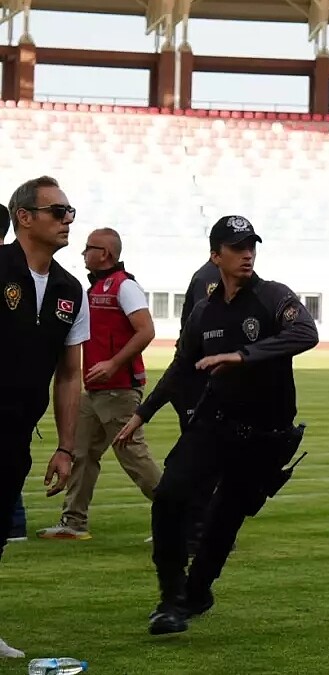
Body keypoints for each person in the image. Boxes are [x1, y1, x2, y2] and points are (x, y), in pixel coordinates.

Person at [112, 215, 319, 636]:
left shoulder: (273, 296)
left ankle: (196, 592)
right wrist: (142, 413)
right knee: (169, 496)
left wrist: (243, 355)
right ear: (215, 255)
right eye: (237, 247)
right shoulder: (204, 312)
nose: (247, 254)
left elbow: (305, 332)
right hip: (213, 424)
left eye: (251, 246)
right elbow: (181, 368)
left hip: (263, 435)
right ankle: (170, 598)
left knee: (224, 519)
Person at [0, 179, 88, 657]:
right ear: (24, 217)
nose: (67, 219)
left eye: (70, 212)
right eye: (58, 211)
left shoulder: (70, 290)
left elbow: (69, 376)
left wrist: (65, 447)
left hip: (16, 432)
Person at [36, 227, 160, 540]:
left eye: (88, 248)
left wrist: (114, 363)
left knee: (135, 460)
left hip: (118, 389)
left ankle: (188, 517)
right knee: (79, 453)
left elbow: (146, 331)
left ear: (104, 253)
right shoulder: (93, 289)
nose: (83, 253)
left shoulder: (124, 286)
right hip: (96, 391)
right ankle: (74, 521)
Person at [173, 258, 224, 555]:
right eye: (237, 248)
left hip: (204, 380)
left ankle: (202, 533)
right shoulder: (210, 278)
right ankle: (201, 533)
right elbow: (208, 330)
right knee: (203, 458)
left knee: (207, 459)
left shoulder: (211, 276)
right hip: (201, 379)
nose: (247, 255)